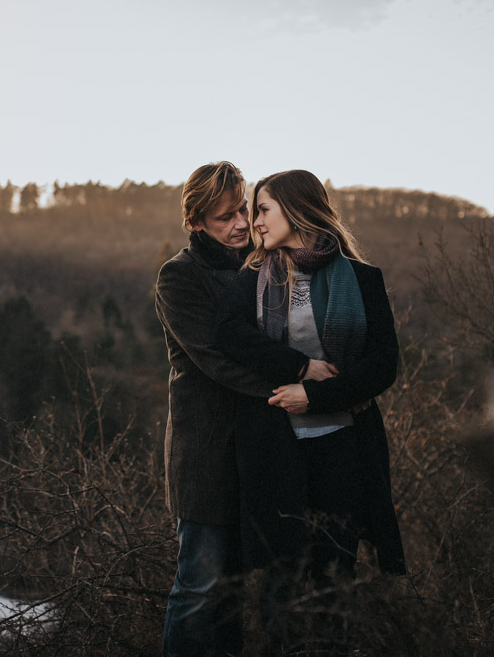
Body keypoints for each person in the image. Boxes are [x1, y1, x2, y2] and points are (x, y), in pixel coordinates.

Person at [214, 169, 406, 646]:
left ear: (296, 209)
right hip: (275, 452)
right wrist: (300, 368)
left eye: (262, 209)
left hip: (342, 448)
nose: (254, 221)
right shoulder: (252, 280)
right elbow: (229, 337)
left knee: (333, 581)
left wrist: (314, 396)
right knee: (281, 582)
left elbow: (383, 366)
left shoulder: (362, 279)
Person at [155, 162, 313, 656]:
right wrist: (297, 381)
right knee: (199, 589)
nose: (241, 224)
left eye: (242, 209)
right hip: (205, 456)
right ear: (197, 223)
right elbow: (217, 361)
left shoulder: (262, 265)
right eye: (225, 218)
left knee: (236, 595)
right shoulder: (179, 277)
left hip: (259, 452)